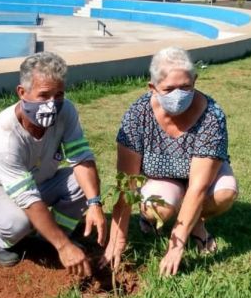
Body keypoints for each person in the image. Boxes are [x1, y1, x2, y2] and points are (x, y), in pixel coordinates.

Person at [100, 47, 238, 276]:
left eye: (186, 87)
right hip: (162, 177)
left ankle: (195, 223)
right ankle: (167, 217)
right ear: (152, 88)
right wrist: (118, 238)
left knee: (225, 193)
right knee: (156, 209)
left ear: (195, 80)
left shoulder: (212, 116)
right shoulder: (137, 115)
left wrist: (176, 245)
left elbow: (199, 186)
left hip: (199, 178)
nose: (178, 95)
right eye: (169, 89)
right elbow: (128, 183)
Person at [0, 51, 106, 277]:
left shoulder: (66, 111)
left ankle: (52, 236)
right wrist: (64, 247)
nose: (52, 104)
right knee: (17, 222)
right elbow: (26, 196)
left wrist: (95, 203)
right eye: (44, 95)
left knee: (82, 183)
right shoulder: (4, 137)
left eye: (59, 95)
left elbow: (81, 156)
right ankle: (0, 238)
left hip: (41, 180)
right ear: (22, 92)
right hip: (1, 189)